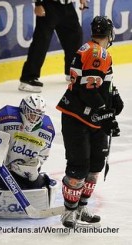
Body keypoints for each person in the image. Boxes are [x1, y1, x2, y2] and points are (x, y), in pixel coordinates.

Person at [56, 16, 124, 228]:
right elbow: (88, 89)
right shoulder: (97, 53)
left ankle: (81, 207)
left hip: (91, 117)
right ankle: (69, 212)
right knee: (79, 166)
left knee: (95, 164)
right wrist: (105, 113)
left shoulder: (92, 50)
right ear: (110, 34)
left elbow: (101, 83)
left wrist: (114, 97)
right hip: (77, 117)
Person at [0, 94, 55, 190]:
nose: (33, 119)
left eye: (37, 116)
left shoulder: (47, 129)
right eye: (31, 113)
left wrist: (34, 165)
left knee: (34, 185)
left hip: (21, 172)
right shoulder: (6, 115)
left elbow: (44, 155)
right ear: (23, 109)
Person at [19, 0, 88, 93]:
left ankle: (72, 71)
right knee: (41, 42)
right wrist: (38, 4)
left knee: (75, 36)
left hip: (67, 6)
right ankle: (27, 78)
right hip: (48, 6)